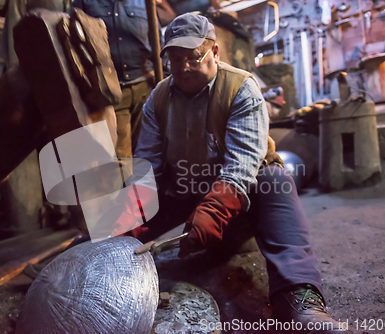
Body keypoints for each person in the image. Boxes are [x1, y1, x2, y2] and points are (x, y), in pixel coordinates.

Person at [121, 13, 352, 333]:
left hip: (237, 198)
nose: (183, 68)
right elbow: (147, 163)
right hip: (186, 191)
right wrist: (132, 210)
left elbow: (243, 163)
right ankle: (92, 252)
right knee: (119, 219)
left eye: (193, 57)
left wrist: (215, 208)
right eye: (175, 60)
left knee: (275, 180)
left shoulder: (241, 88)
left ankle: (298, 300)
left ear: (215, 53)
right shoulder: (159, 98)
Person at [73, 0, 167, 160]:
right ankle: (128, 185)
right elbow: (75, 43)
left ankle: (147, 184)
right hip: (112, 91)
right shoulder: (86, 3)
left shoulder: (143, 2)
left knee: (149, 150)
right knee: (121, 158)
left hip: (145, 87)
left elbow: (158, 39)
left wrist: (164, 73)